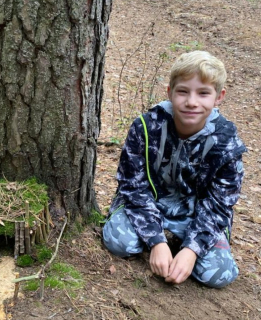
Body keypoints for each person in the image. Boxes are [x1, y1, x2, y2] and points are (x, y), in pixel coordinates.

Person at [103, 51, 247, 288]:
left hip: (196, 215)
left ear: (219, 97)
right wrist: (157, 241)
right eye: (183, 91)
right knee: (119, 243)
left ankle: (184, 247)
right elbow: (133, 186)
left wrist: (192, 250)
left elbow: (220, 204)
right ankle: (165, 243)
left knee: (219, 275)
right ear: (169, 92)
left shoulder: (227, 143)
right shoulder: (145, 128)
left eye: (203, 93)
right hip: (149, 205)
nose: (192, 102)